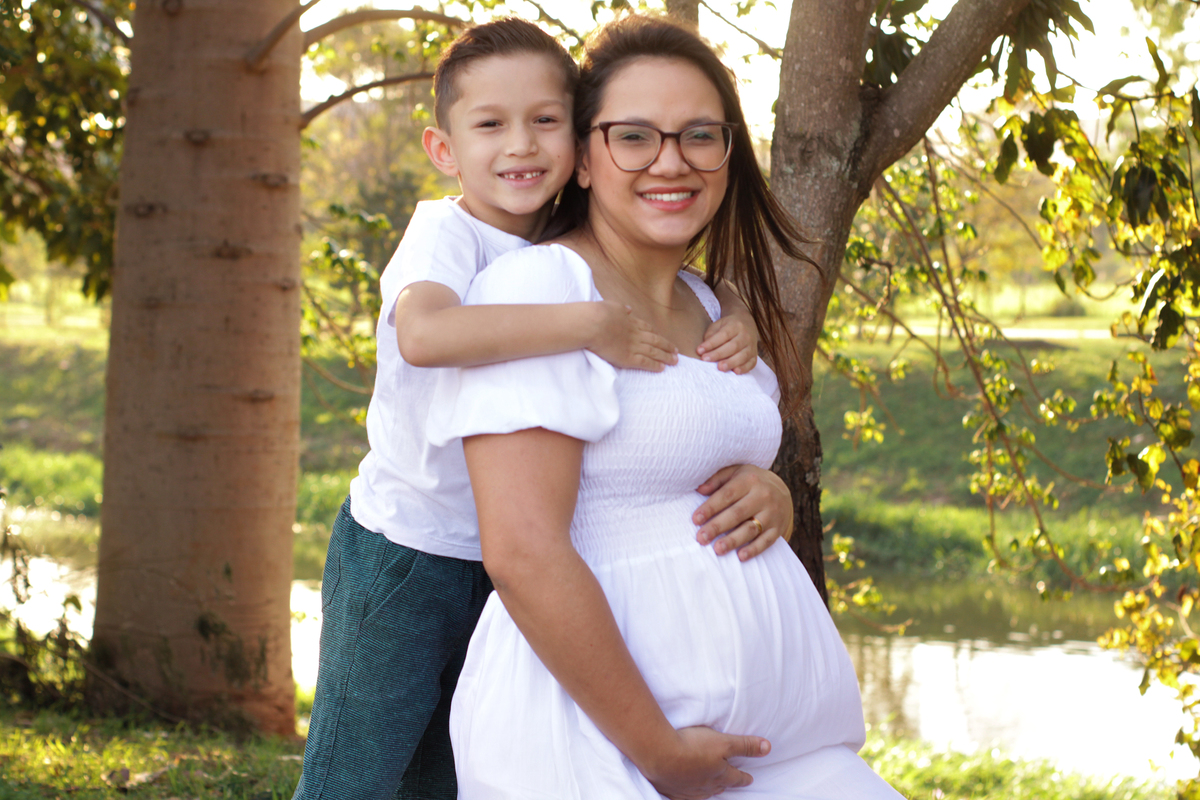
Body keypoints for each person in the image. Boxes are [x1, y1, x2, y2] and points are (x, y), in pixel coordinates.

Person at [293, 18, 798, 800]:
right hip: (407, 548)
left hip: (491, 565)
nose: (521, 146)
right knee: (355, 777)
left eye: (545, 121)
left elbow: (687, 283)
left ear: (577, 141)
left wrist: (735, 311)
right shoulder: (448, 233)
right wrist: (584, 324)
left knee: (443, 778)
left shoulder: (558, 247)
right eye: (491, 125)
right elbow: (424, 335)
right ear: (443, 149)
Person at [429, 15, 905, 800]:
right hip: (603, 751)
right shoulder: (544, 292)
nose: (672, 160)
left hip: (784, 756)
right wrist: (655, 748)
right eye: (634, 137)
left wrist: (773, 494)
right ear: (583, 158)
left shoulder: (711, 303)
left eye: (700, 135)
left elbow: (683, 467)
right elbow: (521, 549)